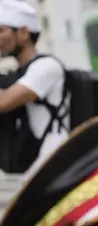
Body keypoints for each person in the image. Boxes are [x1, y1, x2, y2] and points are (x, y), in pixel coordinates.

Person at [0, 0, 69, 177]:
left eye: (1, 30)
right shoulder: (20, 72)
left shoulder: (46, 66)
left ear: (23, 32)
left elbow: (3, 102)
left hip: (55, 161)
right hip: (37, 163)